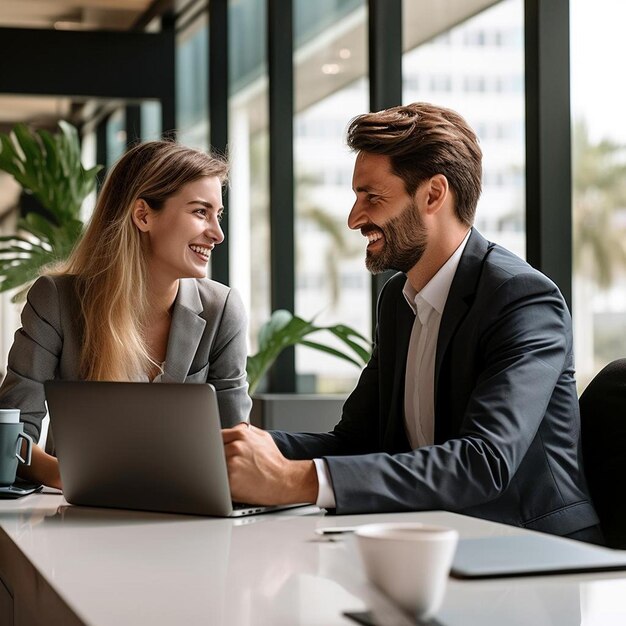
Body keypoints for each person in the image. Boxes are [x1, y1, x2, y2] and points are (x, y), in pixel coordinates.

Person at [223, 102, 601, 542]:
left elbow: (483, 462)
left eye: (373, 197)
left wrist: (295, 479)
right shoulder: (397, 302)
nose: (354, 218)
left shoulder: (521, 299)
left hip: (533, 554)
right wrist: (236, 449)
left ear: (433, 195)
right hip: (432, 540)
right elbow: (355, 442)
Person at [0, 141, 252, 489]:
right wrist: (70, 476)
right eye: (200, 212)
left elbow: (236, 443)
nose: (217, 233)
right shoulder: (57, 300)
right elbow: (12, 434)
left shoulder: (221, 310)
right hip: (77, 514)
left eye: (217, 215)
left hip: (186, 514)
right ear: (143, 215)